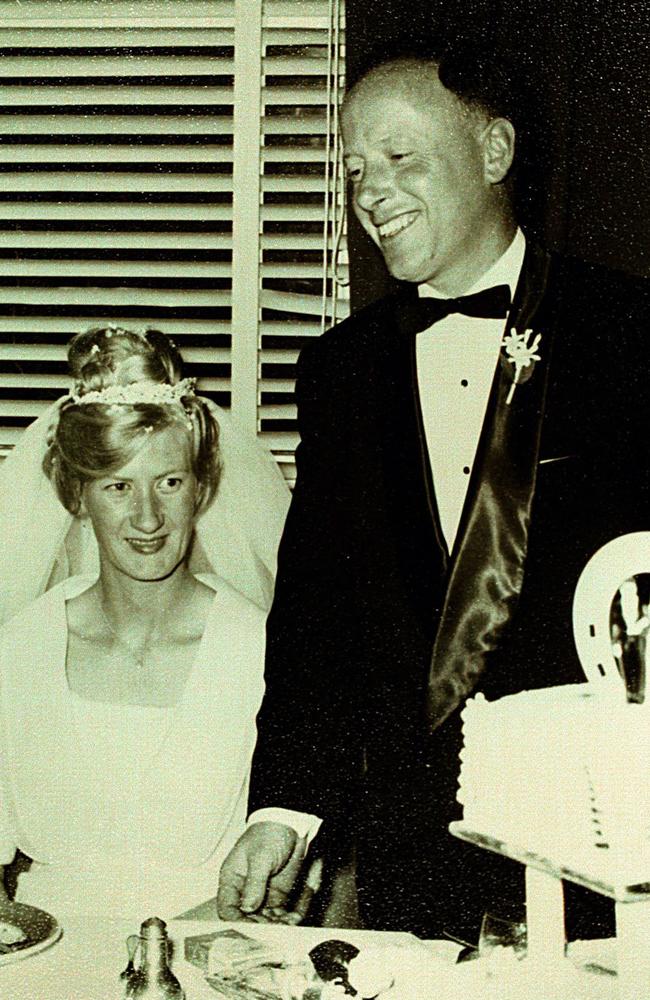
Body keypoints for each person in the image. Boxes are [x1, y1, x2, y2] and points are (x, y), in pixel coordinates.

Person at [217, 51, 650, 940]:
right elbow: (314, 620)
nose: (371, 193)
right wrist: (284, 813)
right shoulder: (340, 370)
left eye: (400, 159)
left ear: (494, 153)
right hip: (412, 865)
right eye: (355, 172)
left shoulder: (630, 334)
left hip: (610, 858)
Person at [0, 325, 290, 923]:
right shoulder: (22, 645)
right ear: (78, 496)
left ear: (201, 488)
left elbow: (291, 862)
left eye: (169, 482)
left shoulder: (258, 646)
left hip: (212, 951)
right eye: (118, 486)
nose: (148, 517)